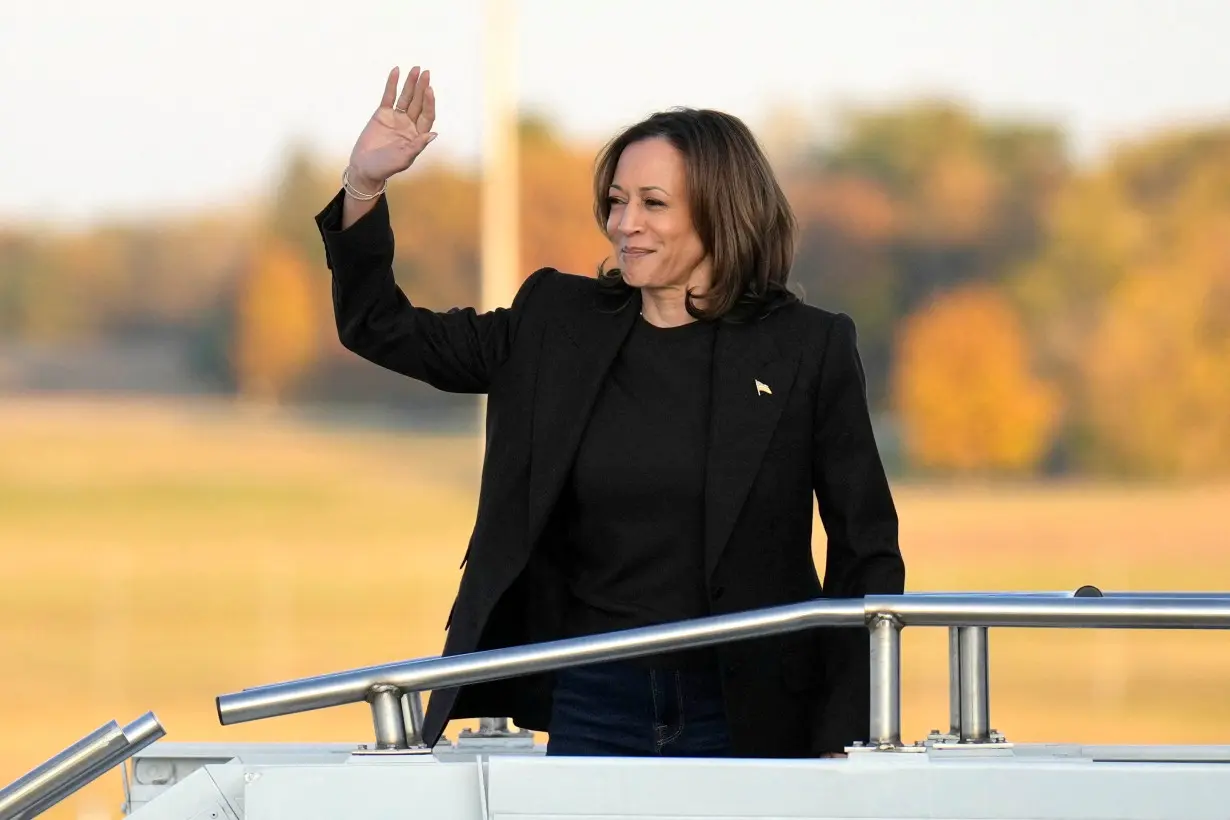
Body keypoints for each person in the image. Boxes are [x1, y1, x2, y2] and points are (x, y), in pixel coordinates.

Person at [314, 65, 905, 759]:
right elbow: (381, 327)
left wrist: (846, 732)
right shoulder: (554, 323)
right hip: (594, 698)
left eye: (653, 203)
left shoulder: (809, 347)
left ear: (722, 210)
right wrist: (365, 184)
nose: (624, 224)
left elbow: (866, 550)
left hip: (750, 707)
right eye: (617, 200)